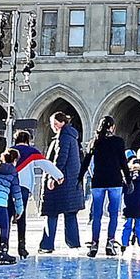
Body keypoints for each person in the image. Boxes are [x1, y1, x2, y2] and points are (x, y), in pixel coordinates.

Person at [39, 107, 85, 254]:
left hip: (61, 183)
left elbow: (60, 158)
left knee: (51, 213)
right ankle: (73, 244)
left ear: (60, 122)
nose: (52, 126)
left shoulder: (63, 138)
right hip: (71, 183)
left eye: (53, 123)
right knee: (70, 214)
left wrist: (54, 176)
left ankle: (47, 245)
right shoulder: (71, 137)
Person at [85, 114, 129, 256]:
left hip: (98, 181)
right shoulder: (118, 141)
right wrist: (128, 178)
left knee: (96, 214)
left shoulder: (94, 142)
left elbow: (87, 162)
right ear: (112, 127)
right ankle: (110, 243)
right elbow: (123, 162)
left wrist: (80, 178)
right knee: (113, 214)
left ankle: (94, 243)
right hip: (114, 181)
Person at [17, 126, 62, 253]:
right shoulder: (31, 152)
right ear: (28, 140)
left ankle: (3, 244)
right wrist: (59, 176)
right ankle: (22, 245)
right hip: (23, 188)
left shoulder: (10, 151)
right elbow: (46, 164)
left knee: (7, 216)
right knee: (21, 216)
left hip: (9, 187)